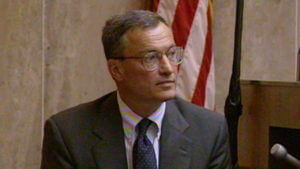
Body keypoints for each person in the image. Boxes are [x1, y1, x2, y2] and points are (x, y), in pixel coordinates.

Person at [41, 10, 231, 169]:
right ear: (116, 70)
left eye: (172, 54)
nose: (168, 68)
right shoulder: (68, 134)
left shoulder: (209, 131)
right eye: (151, 58)